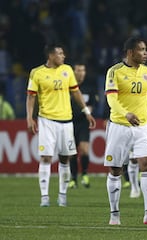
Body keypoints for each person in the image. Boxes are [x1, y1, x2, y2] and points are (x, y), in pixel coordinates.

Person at [104, 36, 147, 225]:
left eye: (146, 49)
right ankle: (114, 215)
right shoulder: (115, 71)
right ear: (130, 52)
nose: (145, 53)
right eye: (141, 49)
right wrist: (126, 114)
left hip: (143, 127)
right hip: (119, 125)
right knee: (116, 169)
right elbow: (111, 100)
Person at [26, 43, 96, 207]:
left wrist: (86, 111)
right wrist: (30, 118)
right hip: (47, 120)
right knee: (46, 158)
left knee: (65, 159)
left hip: (66, 121)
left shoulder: (67, 70)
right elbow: (31, 97)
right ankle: (44, 197)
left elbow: (75, 92)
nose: (63, 56)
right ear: (50, 55)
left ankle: (62, 196)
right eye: (60, 53)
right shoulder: (37, 73)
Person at [69, 63, 96, 189]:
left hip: (83, 122)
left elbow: (93, 103)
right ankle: (73, 179)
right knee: (72, 153)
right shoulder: (68, 85)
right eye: (79, 70)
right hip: (69, 122)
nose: (81, 72)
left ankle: (84, 174)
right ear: (74, 71)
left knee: (84, 150)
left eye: (83, 70)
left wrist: (90, 109)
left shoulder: (89, 87)